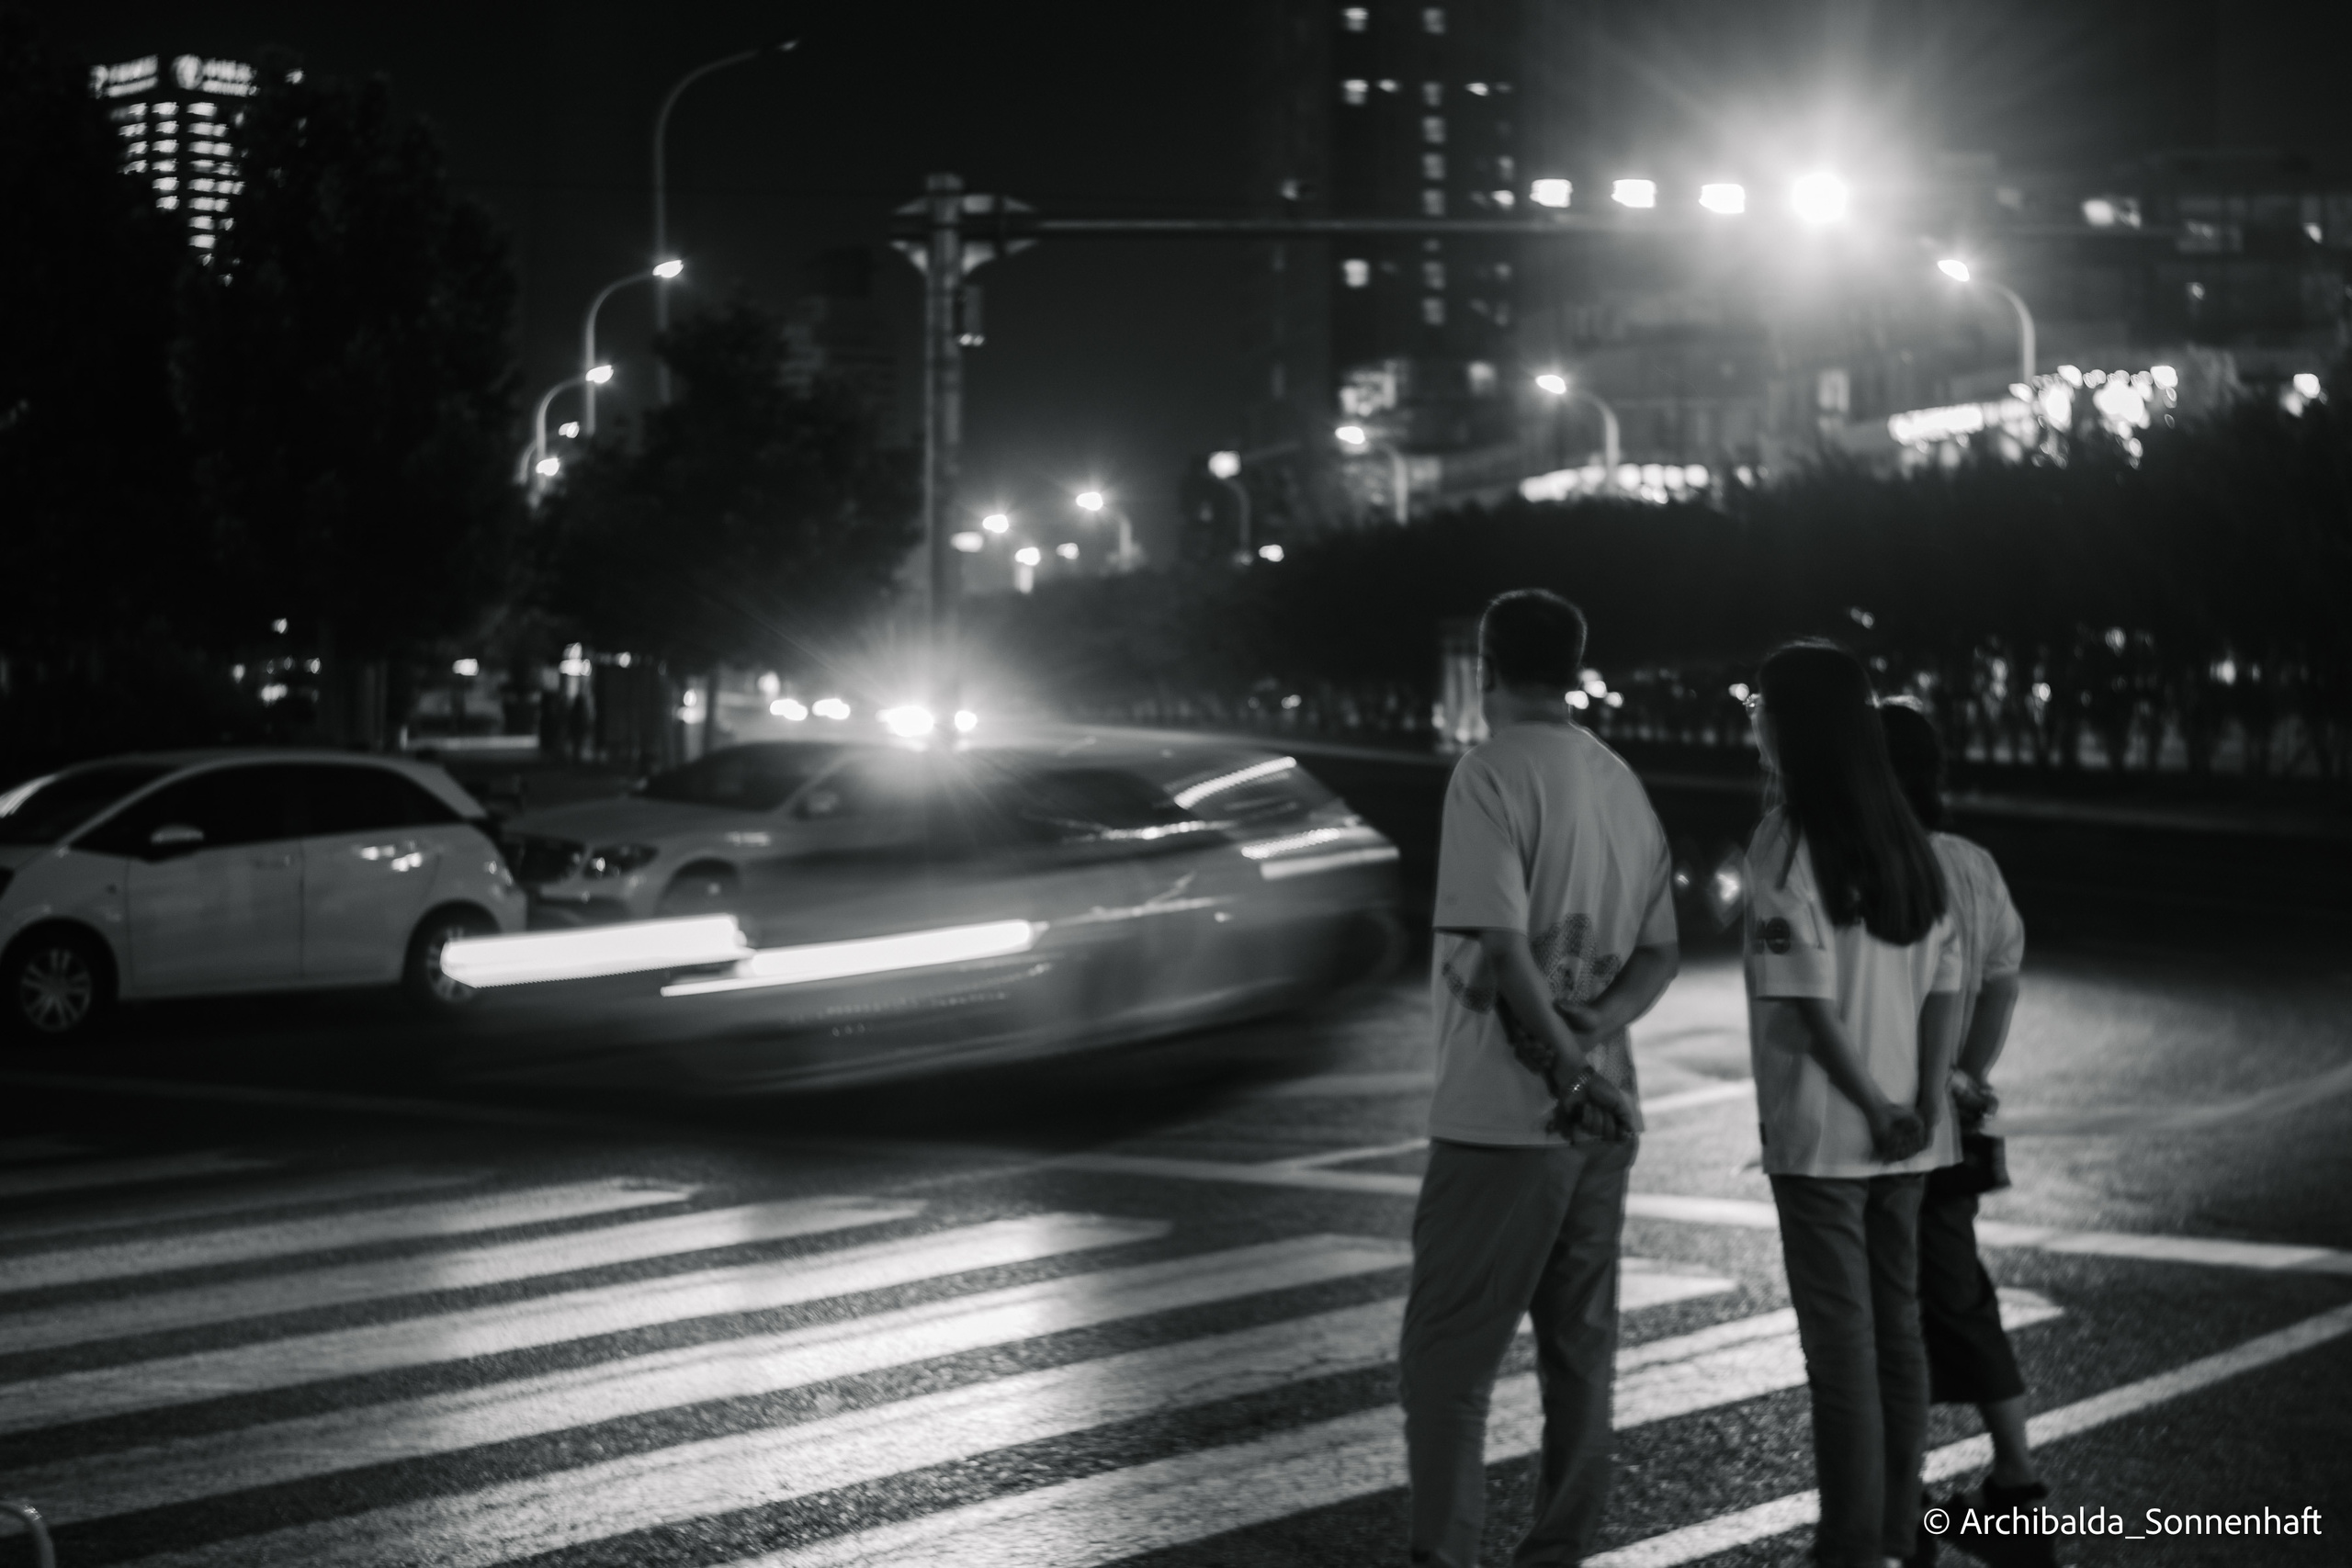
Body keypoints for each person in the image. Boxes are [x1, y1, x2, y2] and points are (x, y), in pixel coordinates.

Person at [1400, 588, 1682, 1568]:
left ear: (1486, 668)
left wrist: (1565, 1067)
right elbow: (1658, 954)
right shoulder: (1621, 783)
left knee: (1447, 1362)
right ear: (1574, 665)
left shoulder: (1489, 774)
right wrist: (1598, 1032)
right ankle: (1559, 1549)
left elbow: (1501, 946)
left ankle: (1443, 1557)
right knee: (1578, 1354)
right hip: (1604, 1119)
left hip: (1506, 1118)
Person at [1741, 642, 1964, 1568]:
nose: (1751, 720)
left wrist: (1873, 1106)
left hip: (1828, 1138)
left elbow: (1808, 1011)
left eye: (1760, 707)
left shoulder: (1786, 843)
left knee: (1841, 1357)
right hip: (1908, 1140)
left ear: (1789, 726)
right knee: (1897, 1338)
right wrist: (1915, 1097)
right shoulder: (1908, 836)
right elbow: (1945, 984)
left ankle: (1846, 1546)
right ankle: (1898, 1531)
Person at [1879, 702, 2052, 1568]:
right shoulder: (1974, 862)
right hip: (1954, 1117)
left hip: (1894, 1121)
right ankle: (2011, 1484)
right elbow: (2002, 980)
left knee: (1900, 1306)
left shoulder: (1879, 863)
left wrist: (1931, 1078)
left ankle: (1915, 1502)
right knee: (1956, 1288)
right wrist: (1970, 1075)